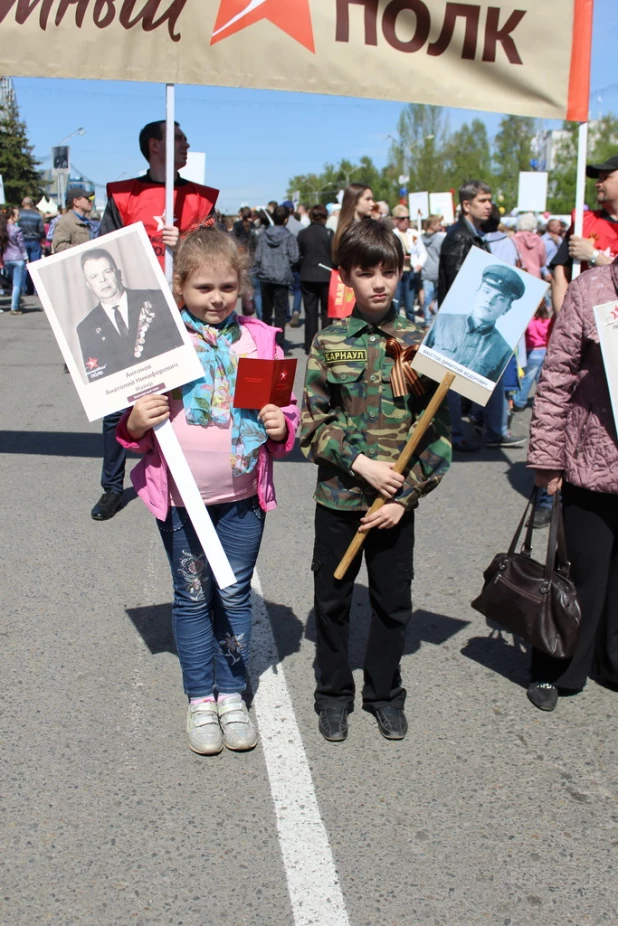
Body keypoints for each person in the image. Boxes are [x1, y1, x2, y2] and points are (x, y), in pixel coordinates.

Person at [116, 227, 299, 753]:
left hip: (243, 499)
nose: (216, 298)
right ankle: (200, 698)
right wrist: (135, 421)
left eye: (226, 286)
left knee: (236, 593)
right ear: (180, 288)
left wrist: (280, 424)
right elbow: (125, 428)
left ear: (242, 285)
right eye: (203, 289)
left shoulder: (259, 339)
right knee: (194, 598)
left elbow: (285, 411)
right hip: (179, 500)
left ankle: (232, 693)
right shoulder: (159, 343)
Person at [300, 218, 451, 743]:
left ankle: (385, 695)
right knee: (332, 600)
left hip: (393, 509)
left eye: (389, 271)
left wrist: (404, 498)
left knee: (391, 604)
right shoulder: (329, 340)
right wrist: (361, 464)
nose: (379, 283)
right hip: (340, 498)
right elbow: (312, 424)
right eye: (366, 273)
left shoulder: (421, 342)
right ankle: (333, 695)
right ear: (345, 277)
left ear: (402, 272)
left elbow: (436, 434)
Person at [91, 119, 219, 524]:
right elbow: (102, 254)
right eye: (178, 138)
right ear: (154, 145)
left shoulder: (199, 199)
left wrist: (184, 246)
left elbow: (216, 256)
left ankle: (188, 477)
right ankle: (112, 487)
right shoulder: (124, 195)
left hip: (184, 312)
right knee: (120, 402)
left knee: (186, 396)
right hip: (133, 311)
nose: (187, 144)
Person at [526, 255, 618, 712]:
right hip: (592, 463)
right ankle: (557, 666)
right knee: (580, 573)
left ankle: (611, 661)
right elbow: (556, 377)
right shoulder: (591, 289)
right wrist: (547, 457)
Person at [76, 247, 183, 380]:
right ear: (89, 286)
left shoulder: (157, 299)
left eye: (107, 271)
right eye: (94, 276)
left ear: (118, 274)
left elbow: (180, 346)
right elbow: (98, 377)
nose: (102, 279)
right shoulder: (86, 328)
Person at [426, 263, 525, 382]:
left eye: (500, 298)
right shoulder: (442, 321)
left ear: (507, 309)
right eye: (486, 292)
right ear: (477, 292)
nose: (489, 300)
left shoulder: (504, 351)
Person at [550, 154, 618, 312]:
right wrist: (565, 321)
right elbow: (560, 274)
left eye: (605, 177)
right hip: (586, 322)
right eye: (598, 178)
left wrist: (594, 256)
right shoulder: (583, 223)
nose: (598, 184)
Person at [253, 204, 299, 349]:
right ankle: (278, 343)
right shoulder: (289, 237)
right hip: (282, 277)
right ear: (286, 219)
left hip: (266, 276)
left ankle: (266, 341)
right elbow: (295, 257)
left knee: (266, 313)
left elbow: (258, 256)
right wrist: (284, 263)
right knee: (280, 313)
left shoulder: (263, 235)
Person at [297, 204, 334, 353]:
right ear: (325, 218)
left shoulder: (303, 233)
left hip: (307, 275)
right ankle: (326, 345)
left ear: (311, 217)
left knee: (310, 313)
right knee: (326, 312)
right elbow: (334, 255)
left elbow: (298, 254)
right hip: (326, 275)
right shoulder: (329, 233)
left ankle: (310, 345)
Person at [391, 204, 427, 322]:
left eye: (408, 218)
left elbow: (423, 252)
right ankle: (395, 331)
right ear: (395, 220)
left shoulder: (414, 234)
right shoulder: (392, 234)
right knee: (395, 304)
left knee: (409, 307)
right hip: (396, 273)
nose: (406, 220)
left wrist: (419, 264)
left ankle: (412, 333)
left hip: (410, 273)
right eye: (402, 218)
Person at [332, 182, 375, 262]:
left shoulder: (369, 226)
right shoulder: (348, 231)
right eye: (367, 199)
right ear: (354, 201)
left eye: (372, 199)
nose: (372, 204)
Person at [0, 207, 28, 315]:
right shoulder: (17, 229)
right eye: (17, 215)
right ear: (12, 216)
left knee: (13, 282)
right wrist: (26, 257)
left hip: (7, 258)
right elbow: (21, 245)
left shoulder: (3, 229)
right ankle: (14, 307)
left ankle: (15, 305)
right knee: (17, 284)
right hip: (18, 258)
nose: (19, 217)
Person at [420, 214, 446, 328]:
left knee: (427, 298)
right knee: (438, 298)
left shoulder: (420, 238)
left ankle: (427, 322)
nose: (441, 226)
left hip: (425, 271)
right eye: (439, 224)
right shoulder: (440, 239)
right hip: (438, 271)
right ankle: (436, 321)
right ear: (433, 225)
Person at [51, 187, 95, 253]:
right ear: (76, 202)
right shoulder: (65, 222)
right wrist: (85, 249)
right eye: (87, 198)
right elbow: (60, 247)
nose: (90, 202)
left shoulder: (85, 221)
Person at [18, 197, 44, 295]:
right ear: (32, 204)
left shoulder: (19, 214)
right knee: (35, 265)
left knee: (23, 265)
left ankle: (23, 289)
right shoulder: (37, 215)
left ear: (22, 203)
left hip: (22, 241)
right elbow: (41, 230)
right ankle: (35, 289)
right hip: (34, 241)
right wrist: (41, 238)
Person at [512, 213, 548, 280]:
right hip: (535, 275)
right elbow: (543, 261)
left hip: (518, 274)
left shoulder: (513, 239)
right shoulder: (539, 240)